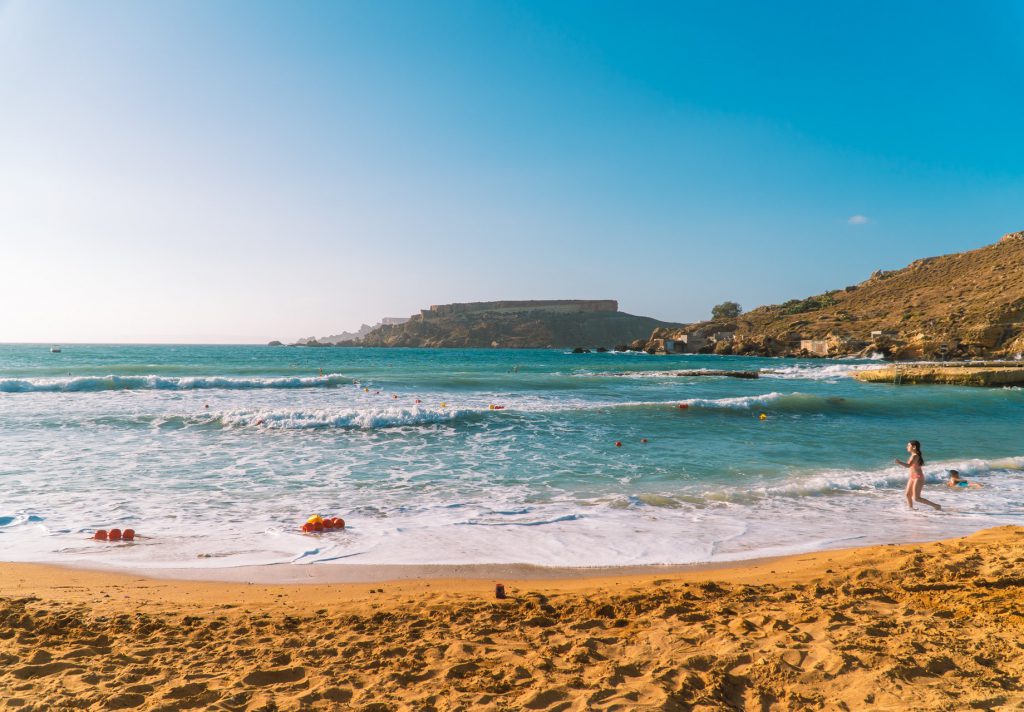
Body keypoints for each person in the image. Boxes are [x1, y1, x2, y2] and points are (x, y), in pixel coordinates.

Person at [895, 440, 941, 511]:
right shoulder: (913, 455)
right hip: (912, 477)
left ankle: (936, 506)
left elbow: (908, 465)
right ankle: (911, 509)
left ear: (914, 447)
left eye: (908, 445)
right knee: (907, 495)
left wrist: (899, 462)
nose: (907, 447)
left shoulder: (915, 456)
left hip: (918, 477)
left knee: (916, 498)